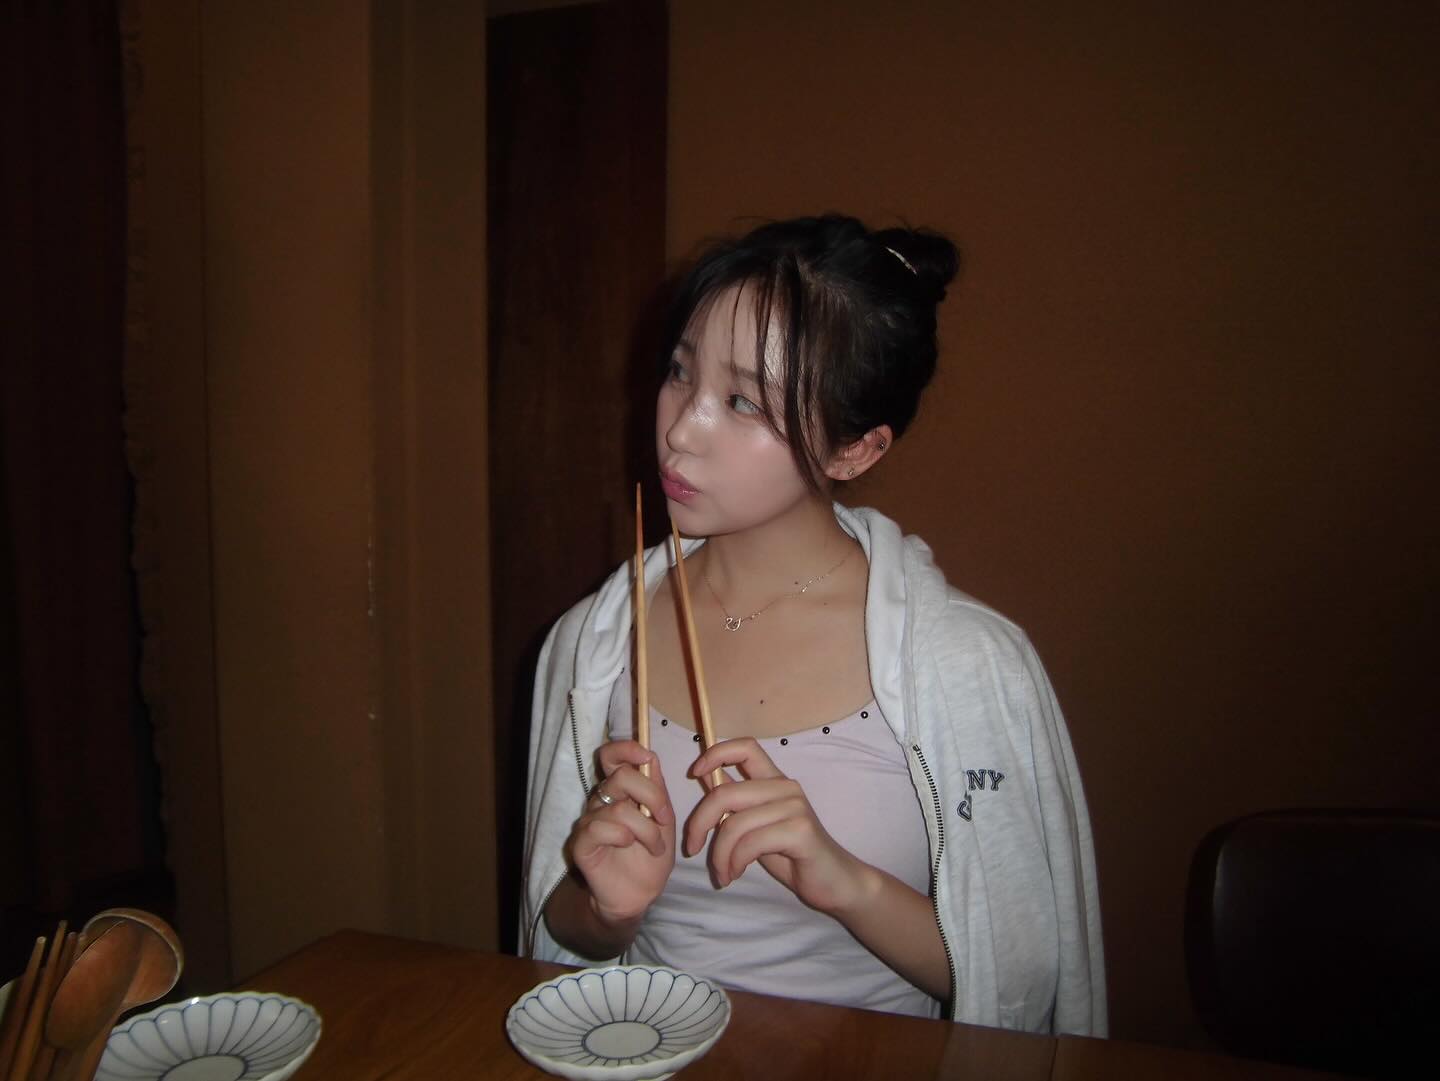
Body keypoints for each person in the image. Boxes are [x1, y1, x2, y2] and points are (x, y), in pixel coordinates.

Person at [520, 214, 1106, 1035]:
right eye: (681, 371)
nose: (680, 428)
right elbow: (555, 930)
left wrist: (848, 883)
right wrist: (605, 912)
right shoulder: (595, 641)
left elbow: (1030, 982)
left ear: (854, 450)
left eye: (742, 401)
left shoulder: (966, 663)